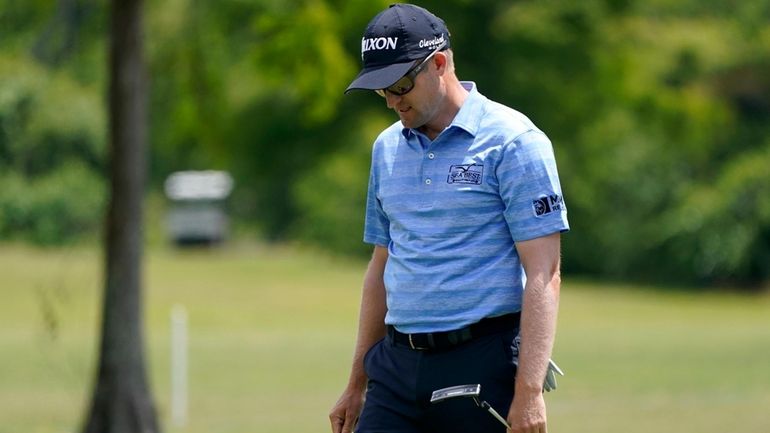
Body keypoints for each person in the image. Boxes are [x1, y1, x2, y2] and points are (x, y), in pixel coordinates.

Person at [330, 4, 569, 433]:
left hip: (480, 361)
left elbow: (544, 271)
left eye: (399, 84)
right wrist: (357, 381)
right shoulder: (385, 149)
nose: (391, 101)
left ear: (439, 63)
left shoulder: (514, 141)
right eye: (380, 90)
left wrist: (529, 392)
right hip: (395, 367)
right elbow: (381, 264)